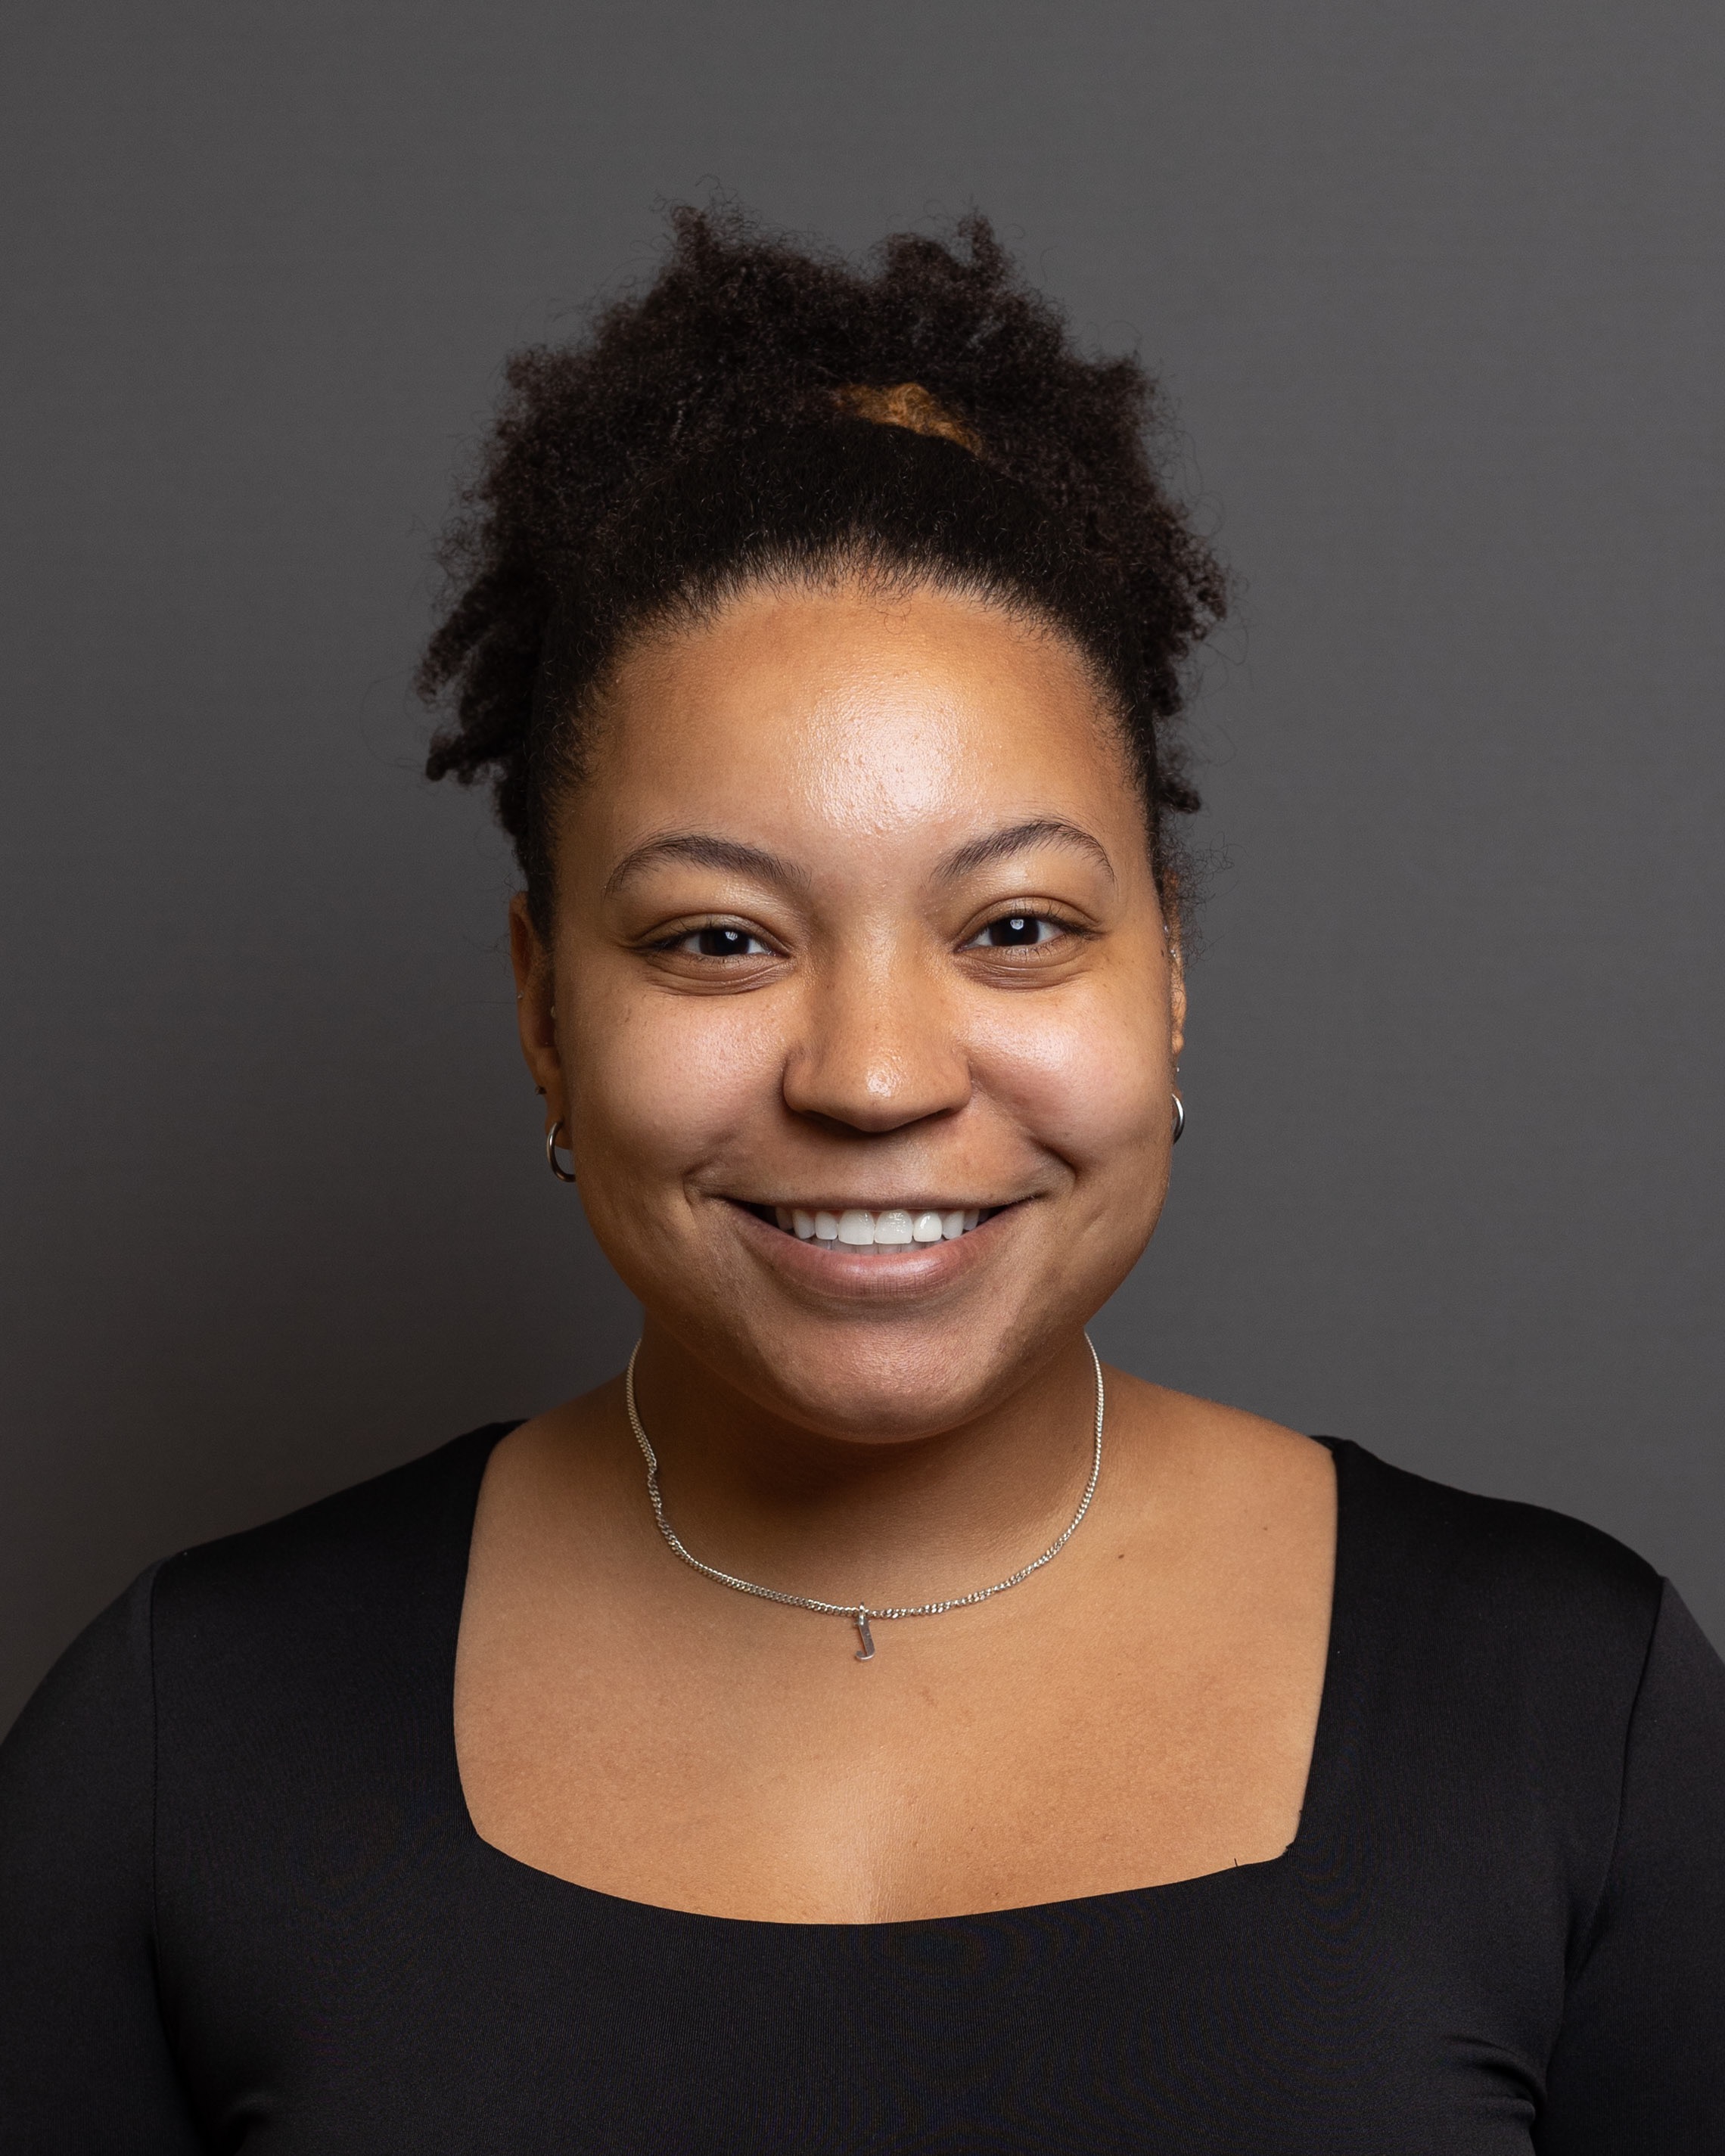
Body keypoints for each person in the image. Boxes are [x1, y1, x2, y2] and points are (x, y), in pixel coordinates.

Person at [2, 208, 1721, 2154]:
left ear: (1170, 972)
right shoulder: (184, 1746)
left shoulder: (1574, 1716)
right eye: (721, 941)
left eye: (1014, 925)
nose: (880, 1078)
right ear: (544, 1012)